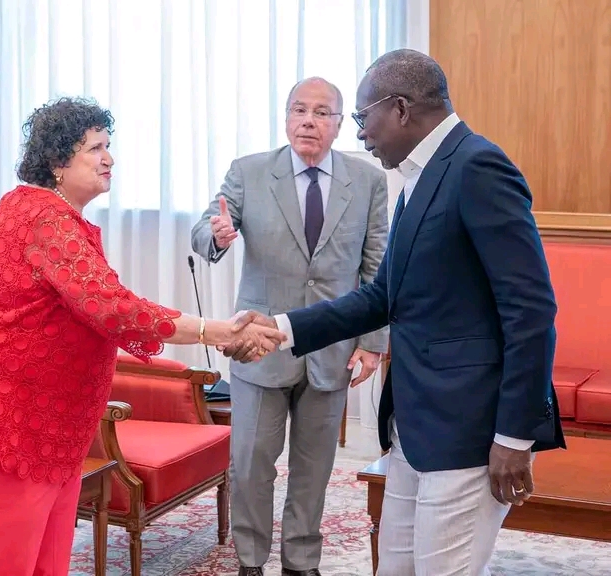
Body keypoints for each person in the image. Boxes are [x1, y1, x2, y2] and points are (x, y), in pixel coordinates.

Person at [227, 50, 566, 576]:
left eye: (363, 117)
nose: (360, 133)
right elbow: (382, 296)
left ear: (401, 109)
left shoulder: (477, 167)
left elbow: (531, 311)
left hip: (468, 432)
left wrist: (515, 438)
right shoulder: (419, 177)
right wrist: (282, 327)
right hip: (413, 424)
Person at [0, 97, 285, 576]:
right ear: (57, 162)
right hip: (12, 419)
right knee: (4, 565)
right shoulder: (45, 219)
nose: (109, 158)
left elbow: (100, 308)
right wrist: (213, 330)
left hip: (51, 424)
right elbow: (114, 309)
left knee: (47, 562)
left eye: (107, 146)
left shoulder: (45, 212)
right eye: (94, 148)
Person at [191, 77, 389, 576]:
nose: (308, 121)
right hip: (260, 346)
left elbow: (377, 266)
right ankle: (250, 560)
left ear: (339, 124)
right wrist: (215, 235)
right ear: (285, 118)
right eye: (299, 110)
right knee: (250, 464)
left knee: (313, 467)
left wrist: (372, 342)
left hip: (332, 347)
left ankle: (301, 561)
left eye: (322, 113)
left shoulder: (367, 181)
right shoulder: (250, 171)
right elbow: (205, 229)